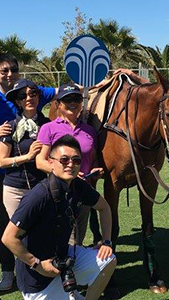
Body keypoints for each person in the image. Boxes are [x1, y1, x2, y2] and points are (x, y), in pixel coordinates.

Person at [2, 134, 116, 300]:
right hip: (36, 279)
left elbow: (104, 208)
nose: (70, 164)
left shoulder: (78, 186)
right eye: (64, 160)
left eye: (76, 160)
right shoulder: (39, 195)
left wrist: (106, 241)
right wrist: (37, 264)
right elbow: (8, 238)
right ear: (51, 162)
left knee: (108, 260)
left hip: (62, 259)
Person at [0, 54, 56, 291]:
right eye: (4, 71)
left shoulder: (34, 92)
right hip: (5, 175)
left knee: (39, 222)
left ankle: (41, 269)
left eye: (13, 69)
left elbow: (64, 92)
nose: (9, 74)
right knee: (7, 223)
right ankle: (7, 270)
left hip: (38, 175)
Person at [36, 83, 103, 245]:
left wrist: (95, 170)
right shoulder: (48, 128)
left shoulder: (89, 130)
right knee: (63, 240)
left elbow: (92, 159)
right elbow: (40, 161)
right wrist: (66, 173)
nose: (73, 103)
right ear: (58, 104)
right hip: (59, 192)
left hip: (83, 192)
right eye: (67, 100)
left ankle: (73, 269)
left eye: (77, 99)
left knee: (77, 240)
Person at [0, 78, 50, 217]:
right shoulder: (10, 126)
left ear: (38, 97)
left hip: (42, 187)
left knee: (41, 233)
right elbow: (2, 161)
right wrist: (28, 157)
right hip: (14, 189)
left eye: (33, 93)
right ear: (18, 101)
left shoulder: (47, 125)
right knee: (18, 236)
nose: (29, 98)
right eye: (23, 96)